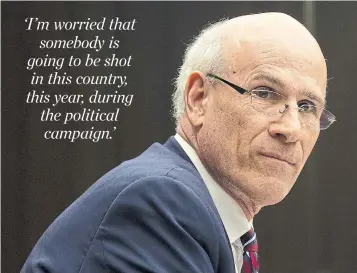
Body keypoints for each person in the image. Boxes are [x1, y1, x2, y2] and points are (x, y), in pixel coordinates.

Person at [22, 12, 336, 273]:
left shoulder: (212, 217)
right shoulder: (161, 202)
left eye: (307, 106)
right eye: (265, 92)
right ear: (198, 99)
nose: (291, 128)